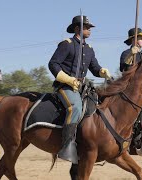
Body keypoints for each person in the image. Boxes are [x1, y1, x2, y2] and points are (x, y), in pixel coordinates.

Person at [48, 15, 111, 164]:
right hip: (65, 86)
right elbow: (53, 64)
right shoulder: (67, 44)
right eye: (87, 27)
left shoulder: (89, 49)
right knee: (75, 107)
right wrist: (68, 79)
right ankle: (66, 146)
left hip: (82, 87)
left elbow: (94, 68)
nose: (90, 30)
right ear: (78, 28)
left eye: (89, 28)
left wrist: (102, 71)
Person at [119, 28, 142, 131]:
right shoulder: (125, 53)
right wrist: (131, 54)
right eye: (141, 38)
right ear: (134, 40)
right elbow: (123, 68)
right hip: (130, 88)